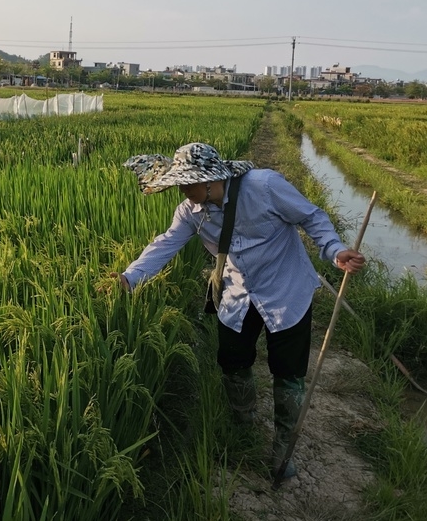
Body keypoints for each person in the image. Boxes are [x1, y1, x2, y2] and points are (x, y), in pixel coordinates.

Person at [115, 142, 365, 478]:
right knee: (233, 361)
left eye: (188, 183)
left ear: (209, 179)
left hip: (285, 289)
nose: (184, 190)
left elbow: (311, 216)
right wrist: (130, 277)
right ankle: (243, 426)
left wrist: (335, 251)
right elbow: (166, 243)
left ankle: (282, 447)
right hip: (237, 294)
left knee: (288, 371)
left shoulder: (264, 187)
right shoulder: (190, 211)